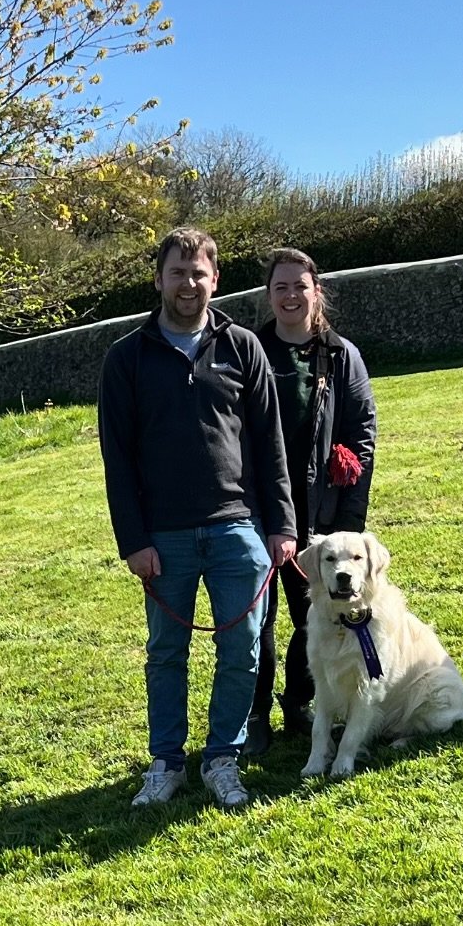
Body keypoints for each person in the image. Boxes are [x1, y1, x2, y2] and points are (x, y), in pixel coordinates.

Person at [98, 227, 298, 811]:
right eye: (178, 272)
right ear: (159, 279)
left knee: (246, 651)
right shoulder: (127, 358)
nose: (189, 283)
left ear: (215, 279)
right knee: (166, 653)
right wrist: (133, 540)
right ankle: (166, 764)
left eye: (199, 273)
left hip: (239, 527)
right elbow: (119, 457)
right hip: (164, 536)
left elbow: (270, 442)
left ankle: (221, 759)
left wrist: (281, 525)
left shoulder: (243, 347)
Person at [248, 246, 377, 754]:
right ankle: (254, 713)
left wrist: (348, 522)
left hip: (320, 511)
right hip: (258, 509)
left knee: (317, 615)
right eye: (280, 287)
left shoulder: (340, 354)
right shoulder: (248, 350)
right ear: (268, 295)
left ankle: (300, 703)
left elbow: (361, 434)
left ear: (316, 291)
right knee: (257, 615)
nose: (290, 296)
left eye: (299, 286)